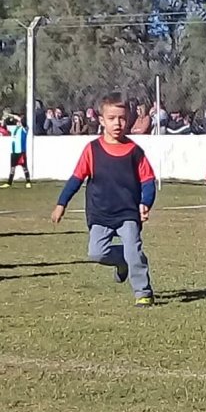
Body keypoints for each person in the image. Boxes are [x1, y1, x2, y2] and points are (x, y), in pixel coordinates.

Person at [51, 93, 156, 307]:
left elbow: (148, 180)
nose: (118, 123)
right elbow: (76, 179)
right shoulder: (92, 150)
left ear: (129, 119)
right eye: (112, 118)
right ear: (101, 120)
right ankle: (123, 261)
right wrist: (61, 204)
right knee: (96, 253)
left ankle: (143, 292)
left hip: (128, 212)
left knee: (133, 250)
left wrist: (146, 202)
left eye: (122, 118)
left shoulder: (135, 152)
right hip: (100, 213)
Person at [0, 114, 32, 189]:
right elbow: (4, 127)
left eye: (19, 121)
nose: (18, 122)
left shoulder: (24, 129)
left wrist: (11, 115)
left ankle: (28, 182)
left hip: (21, 151)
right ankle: (9, 182)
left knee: (24, 167)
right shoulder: (14, 129)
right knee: (12, 168)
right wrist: (4, 120)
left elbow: (23, 122)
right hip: (14, 151)